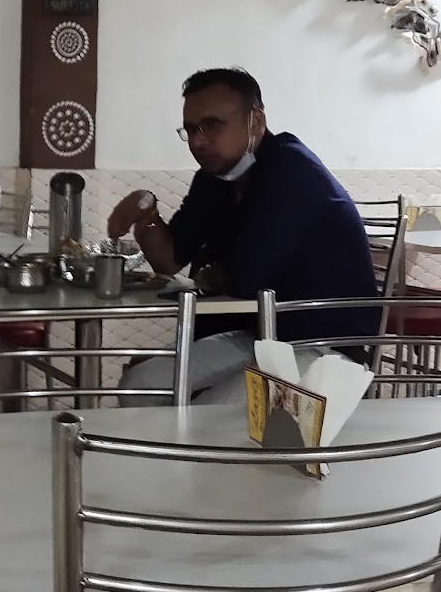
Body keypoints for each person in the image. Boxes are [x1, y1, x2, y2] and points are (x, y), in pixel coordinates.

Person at [108, 66, 378, 405]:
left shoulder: (291, 171)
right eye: (190, 129)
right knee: (139, 385)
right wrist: (146, 213)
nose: (197, 141)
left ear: (256, 121)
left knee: (205, 416)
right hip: (261, 336)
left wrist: (216, 274)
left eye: (212, 125)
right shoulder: (215, 178)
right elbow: (171, 258)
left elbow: (246, 278)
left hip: (325, 348)